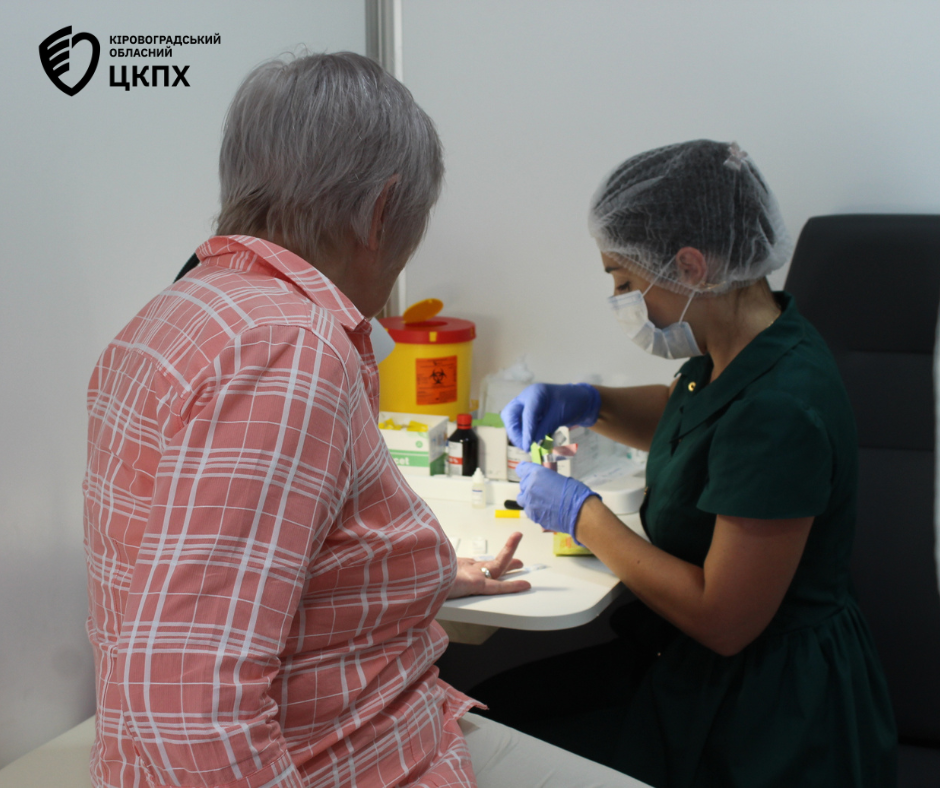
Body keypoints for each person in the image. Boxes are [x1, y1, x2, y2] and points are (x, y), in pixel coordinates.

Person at [83, 52, 644, 788]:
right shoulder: (290, 349)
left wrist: (408, 576)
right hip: (347, 762)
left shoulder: (170, 317)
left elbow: (214, 572)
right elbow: (189, 706)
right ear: (383, 211)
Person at [475, 140, 898, 787]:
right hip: (684, 662)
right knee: (484, 712)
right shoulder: (738, 345)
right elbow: (692, 423)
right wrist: (587, 403)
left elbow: (724, 620)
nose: (621, 301)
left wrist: (582, 515)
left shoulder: (781, 406)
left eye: (624, 282)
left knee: (486, 745)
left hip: (768, 711)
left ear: (692, 267)